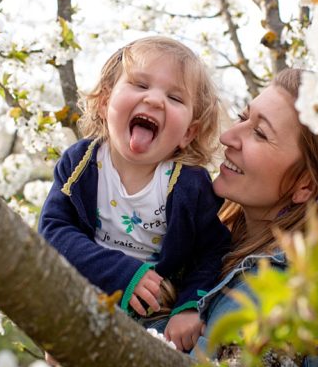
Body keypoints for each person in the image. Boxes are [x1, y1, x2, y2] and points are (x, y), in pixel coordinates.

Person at [38, 35, 230, 351]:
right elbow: (53, 230)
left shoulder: (188, 184)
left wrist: (190, 306)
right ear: (104, 102)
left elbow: (211, 251)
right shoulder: (81, 163)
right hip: (84, 295)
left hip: (154, 314)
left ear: (188, 133)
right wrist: (122, 273)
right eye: (140, 85)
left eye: (175, 98)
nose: (154, 100)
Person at [196, 68, 318, 367]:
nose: (228, 137)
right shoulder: (217, 241)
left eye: (260, 133)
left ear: (306, 185)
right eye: (244, 117)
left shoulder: (271, 306)